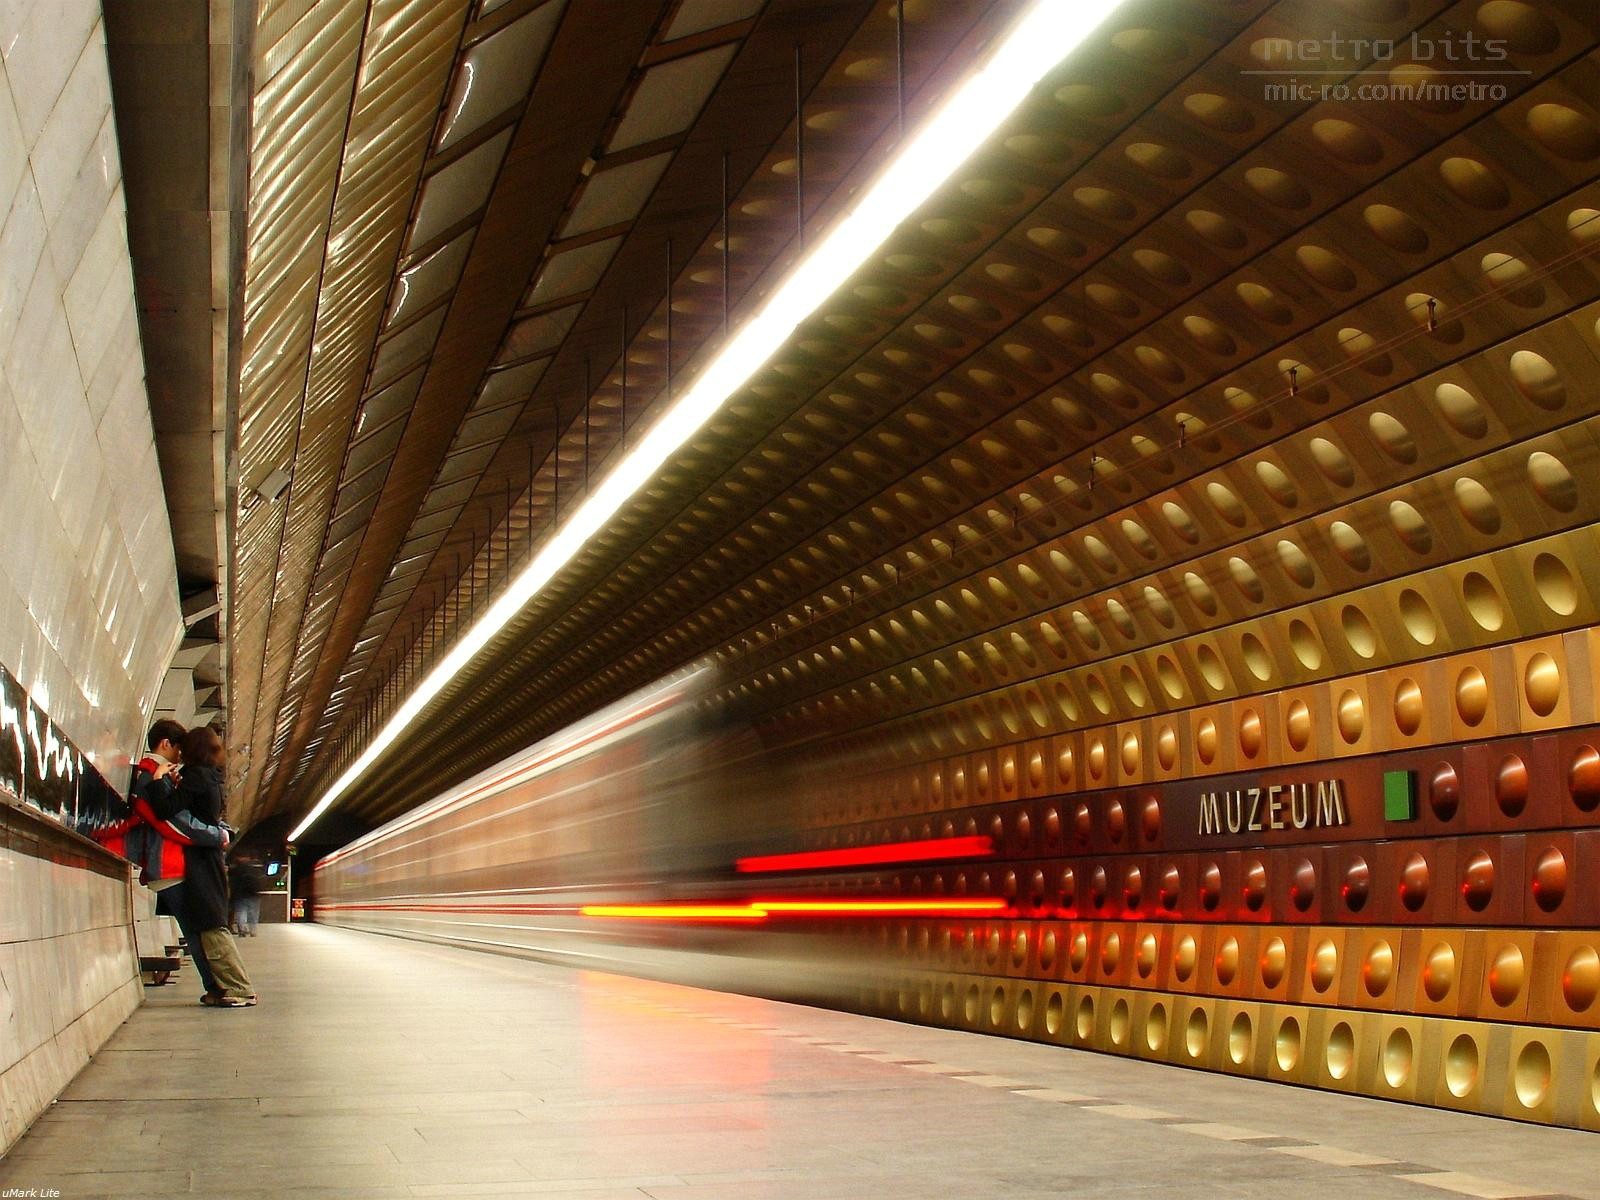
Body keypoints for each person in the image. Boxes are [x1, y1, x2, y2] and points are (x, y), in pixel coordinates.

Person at [98, 720, 229, 998]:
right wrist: (216, 835)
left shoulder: (162, 773)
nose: (182, 755)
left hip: (171, 864)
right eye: (179, 748)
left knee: (195, 928)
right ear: (166, 744)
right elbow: (171, 822)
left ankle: (216, 986)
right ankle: (216, 986)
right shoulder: (149, 775)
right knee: (196, 929)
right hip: (168, 864)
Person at [173, 726, 255, 1008]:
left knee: (212, 925)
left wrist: (158, 782)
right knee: (210, 923)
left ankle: (240, 988)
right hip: (209, 859)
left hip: (202, 861)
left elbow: (171, 812)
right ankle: (224, 987)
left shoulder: (196, 777)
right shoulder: (212, 777)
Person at [228, 853, 266, 936]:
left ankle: (242, 930)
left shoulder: (234, 871)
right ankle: (253, 931)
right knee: (253, 913)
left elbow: (232, 883)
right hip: (253, 894)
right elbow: (259, 881)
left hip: (239, 895)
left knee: (241, 912)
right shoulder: (252, 869)